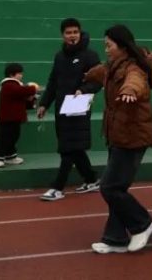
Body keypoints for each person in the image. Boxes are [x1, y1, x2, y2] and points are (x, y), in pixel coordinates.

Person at [82, 25, 152, 254]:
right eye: (105, 45)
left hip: (132, 137)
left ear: (122, 46)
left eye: (109, 45)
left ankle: (142, 224)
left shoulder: (133, 67)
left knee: (110, 187)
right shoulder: (113, 65)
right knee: (117, 188)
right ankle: (115, 238)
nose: (106, 49)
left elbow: (136, 81)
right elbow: (101, 72)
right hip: (118, 134)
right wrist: (85, 76)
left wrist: (130, 91)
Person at [37, 18, 103, 201]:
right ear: (63, 35)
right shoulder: (59, 56)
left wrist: (84, 90)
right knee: (74, 147)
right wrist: (44, 104)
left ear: (80, 33)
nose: (72, 35)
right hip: (61, 108)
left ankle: (57, 187)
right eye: (68, 32)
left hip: (79, 106)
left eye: (75, 32)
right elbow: (53, 82)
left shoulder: (90, 55)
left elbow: (98, 80)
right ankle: (91, 179)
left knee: (69, 148)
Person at [0, 62, 38, 168]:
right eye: (19, 73)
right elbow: (19, 91)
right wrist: (33, 88)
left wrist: (32, 98)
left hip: (15, 118)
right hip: (7, 119)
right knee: (4, 138)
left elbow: (23, 101)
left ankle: (10, 156)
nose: (21, 75)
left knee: (13, 137)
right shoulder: (8, 85)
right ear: (11, 74)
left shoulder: (16, 86)